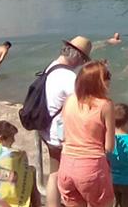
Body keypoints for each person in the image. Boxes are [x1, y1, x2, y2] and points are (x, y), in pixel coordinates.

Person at [41, 36, 92, 207]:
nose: (82, 63)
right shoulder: (68, 77)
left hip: (47, 129)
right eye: (83, 59)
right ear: (76, 55)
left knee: (54, 174)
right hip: (61, 135)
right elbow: (82, 106)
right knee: (70, 176)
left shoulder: (52, 67)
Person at [58, 61, 115, 207]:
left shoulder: (70, 100)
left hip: (66, 163)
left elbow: (61, 131)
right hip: (91, 165)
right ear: (98, 82)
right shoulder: (105, 105)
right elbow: (109, 146)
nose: (110, 79)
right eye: (107, 76)